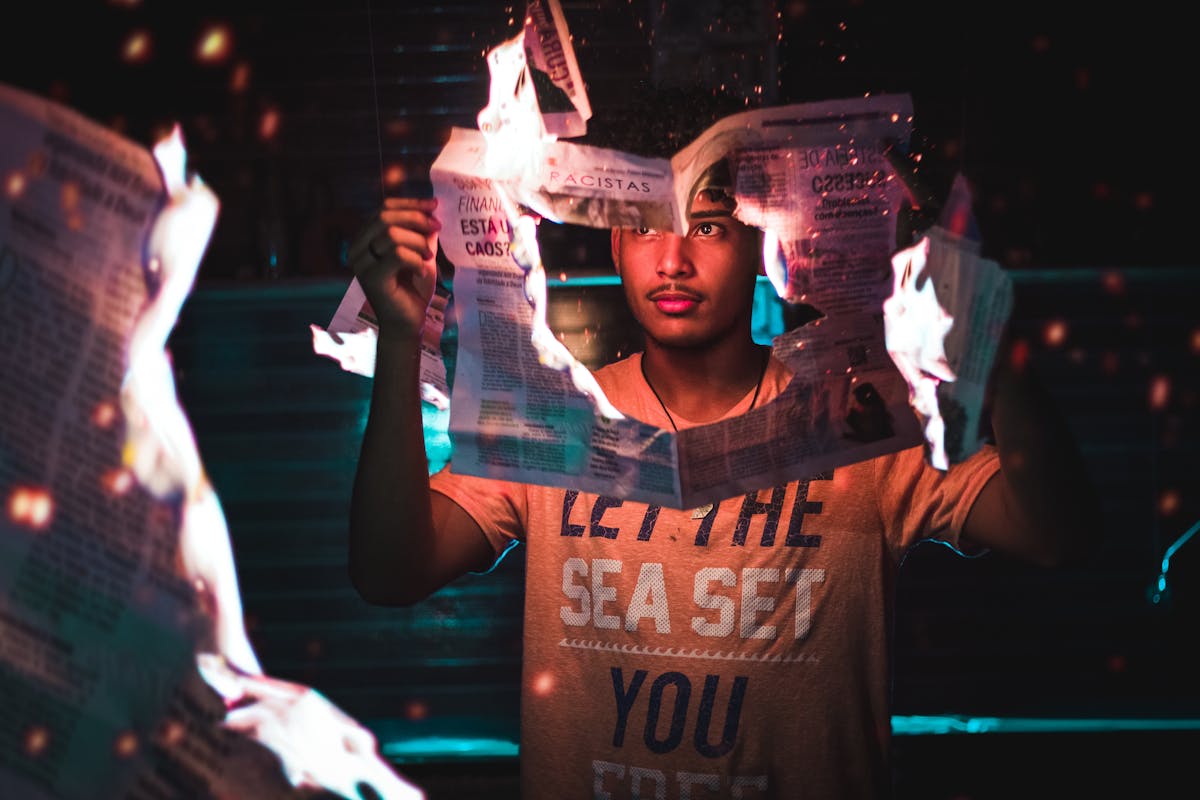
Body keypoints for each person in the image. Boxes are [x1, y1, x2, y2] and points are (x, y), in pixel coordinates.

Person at [344, 115, 1101, 799]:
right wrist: (401, 342)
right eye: (644, 229)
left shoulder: (859, 422)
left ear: (761, 245)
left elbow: (1055, 535)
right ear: (615, 240)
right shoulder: (556, 420)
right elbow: (389, 571)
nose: (672, 261)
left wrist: (989, 347)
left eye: (707, 229)